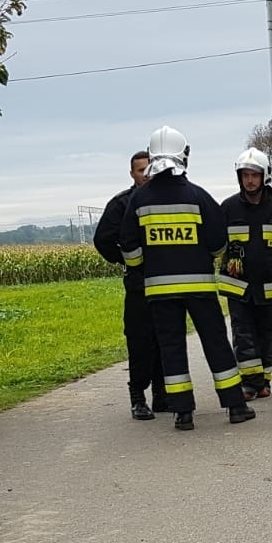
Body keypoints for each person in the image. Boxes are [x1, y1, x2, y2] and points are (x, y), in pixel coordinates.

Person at [121, 126, 256, 430]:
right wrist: (204, 258)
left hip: (158, 290)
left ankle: (183, 413)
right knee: (216, 344)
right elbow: (219, 241)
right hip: (200, 288)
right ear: (184, 155)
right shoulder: (198, 196)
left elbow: (128, 246)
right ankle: (235, 406)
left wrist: (149, 265)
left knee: (171, 349)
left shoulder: (139, 199)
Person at [92, 151, 165, 420]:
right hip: (138, 284)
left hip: (165, 282)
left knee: (164, 340)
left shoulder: (164, 201)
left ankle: (161, 395)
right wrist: (126, 261)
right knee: (140, 342)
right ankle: (138, 398)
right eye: (139, 171)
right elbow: (103, 240)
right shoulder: (121, 204)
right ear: (132, 173)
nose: (145, 175)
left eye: (149, 170)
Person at [219, 148, 272, 400]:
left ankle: (264, 381)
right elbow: (218, 245)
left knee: (266, 333)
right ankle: (249, 383)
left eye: (255, 175)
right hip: (237, 285)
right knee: (243, 334)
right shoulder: (227, 208)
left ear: (264, 177)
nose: (250, 180)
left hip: (268, 285)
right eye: (245, 175)